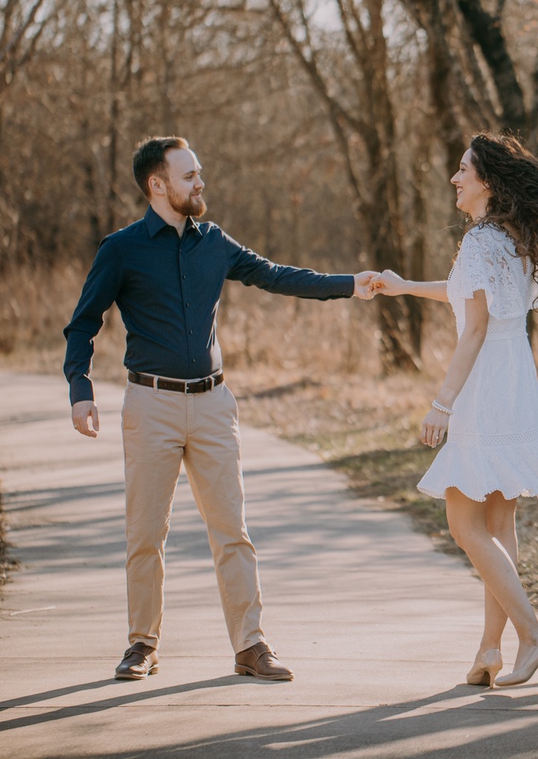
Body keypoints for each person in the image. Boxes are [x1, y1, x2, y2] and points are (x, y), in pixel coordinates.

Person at [64, 135, 377, 682]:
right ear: (157, 185)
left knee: (232, 531)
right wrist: (80, 388)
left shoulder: (214, 243)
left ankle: (250, 646)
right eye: (188, 176)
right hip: (151, 405)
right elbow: (83, 323)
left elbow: (277, 275)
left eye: (199, 173)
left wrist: (352, 284)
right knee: (146, 534)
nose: (199, 183)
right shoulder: (121, 248)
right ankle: (142, 644)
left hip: (212, 404)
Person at [370, 132, 538, 687]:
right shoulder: (506, 238)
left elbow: (476, 327)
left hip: (485, 387)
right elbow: (469, 294)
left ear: (486, 181)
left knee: (464, 525)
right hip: (514, 382)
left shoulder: (482, 241)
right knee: (498, 519)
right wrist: (403, 287)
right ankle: (490, 649)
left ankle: (534, 637)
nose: (454, 178)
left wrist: (442, 404)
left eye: (463, 169)